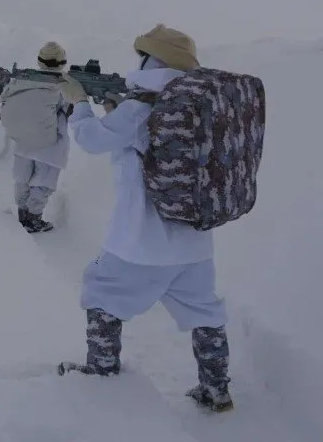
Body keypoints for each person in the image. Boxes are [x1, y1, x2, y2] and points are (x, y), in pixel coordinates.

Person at [59, 24, 232, 413]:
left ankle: (101, 373)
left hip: (139, 241)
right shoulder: (201, 107)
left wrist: (79, 103)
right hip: (195, 242)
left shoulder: (140, 109)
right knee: (205, 312)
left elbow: (92, 140)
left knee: (102, 296)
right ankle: (216, 388)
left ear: (148, 62)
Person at [1, 42, 71, 233]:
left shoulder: (21, 80)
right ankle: (33, 219)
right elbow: (70, 109)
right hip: (49, 142)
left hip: (21, 139)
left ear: (39, 61)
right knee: (44, 181)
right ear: (62, 63)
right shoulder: (63, 86)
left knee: (22, 178)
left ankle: (22, 212)